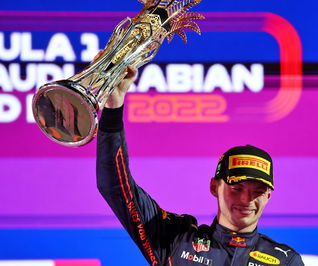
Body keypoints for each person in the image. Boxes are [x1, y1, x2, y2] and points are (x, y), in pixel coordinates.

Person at [96, 66, 305, 265]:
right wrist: (114, 106)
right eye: (237, 188)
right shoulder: (175, 239)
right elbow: (114, 185)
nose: (246, 200)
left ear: (268, 196)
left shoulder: (285, 261)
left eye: (257, 192)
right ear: (214, 186)